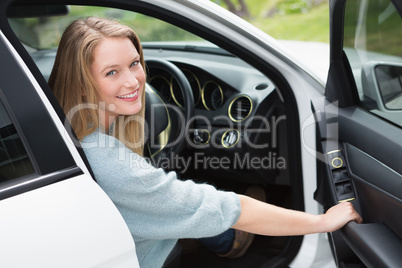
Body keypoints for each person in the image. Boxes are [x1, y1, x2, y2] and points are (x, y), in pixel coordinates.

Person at [49, 17, 362, 268]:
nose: (132, 81)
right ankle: (227, 242)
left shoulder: (60, 132)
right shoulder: (115, 166)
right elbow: (229, 208)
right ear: (82, 85)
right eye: (111, 72)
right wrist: (322, 220)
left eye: (134, 63)